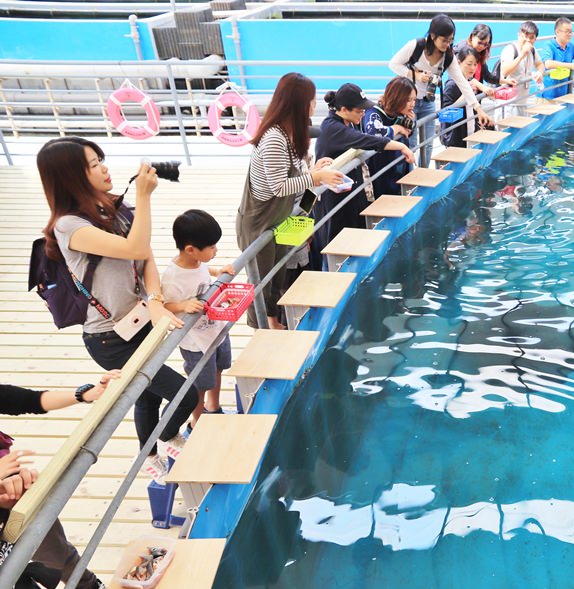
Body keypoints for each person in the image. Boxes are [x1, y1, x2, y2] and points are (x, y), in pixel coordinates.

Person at [37, 137, 196, 482]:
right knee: (186, 394)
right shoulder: (69, 226)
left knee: (148, 396)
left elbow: (146, 254)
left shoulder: (108, 206)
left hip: (138, 320)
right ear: (71, 177)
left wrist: (155, 303)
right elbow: (135, 246)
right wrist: (142, 196)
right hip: (110, 339)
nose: (105, 168)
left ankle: (148, 454)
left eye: (101, 160)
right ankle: (166, 438)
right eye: (94, 165)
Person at [235, 72, 345, 330]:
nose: (314, 104)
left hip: (280, 217)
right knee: (261, 281)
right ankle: (262, 329)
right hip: (259, 222)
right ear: (299, 103)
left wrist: (313, 171)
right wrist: (315, 177)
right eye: (312, 99)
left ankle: (273, 321)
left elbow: (293, 174)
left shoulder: (289, 133)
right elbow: (279, 186)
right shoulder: (274, 138)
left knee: (277, 273)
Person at [1, 373, 121, 589]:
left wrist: (85, 394)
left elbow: (29, 400)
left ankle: (86, 587)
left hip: (16, 498)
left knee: (52, 549)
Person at [311, 83, 416, 270]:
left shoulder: (347, 120)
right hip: (332, 197)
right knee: (335, 242)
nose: (363, 114)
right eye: (360, 110)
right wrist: (401, 146)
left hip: (349, 190)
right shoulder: (333, 128)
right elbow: (367, 140)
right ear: (344, 109)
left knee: (355, 239)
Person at [161, 210, 236, 431]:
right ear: (191, 250)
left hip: (216, 329)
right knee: (200, 383)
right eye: (211, 247)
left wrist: (217, 270)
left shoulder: (197, 262)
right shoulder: (173, 277)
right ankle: (198, 421)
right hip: (195, 342)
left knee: (219, 368)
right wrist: (183, 305)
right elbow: (164, 305)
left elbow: (203, 270)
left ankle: (214, 407)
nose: (215, 250)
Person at [388, 14, 492, 166]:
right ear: (432, 36)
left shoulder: (447, 56)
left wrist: (478, 108)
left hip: (428, 101)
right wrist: (414, 75)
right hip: (408, 103)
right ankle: (411, 176)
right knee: (411, 143)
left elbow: (463, 83)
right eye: (444, 40)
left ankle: (423, 173)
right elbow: (393, 64)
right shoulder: (416, 46)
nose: (447, 44)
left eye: (451, 40)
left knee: (428, 143)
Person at [362, 76, 418, 198]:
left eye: (414, 100)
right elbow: (376, 133)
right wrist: (398, 128)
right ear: (397, 98)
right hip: (380, 172)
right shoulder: (373, 113)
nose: (412, 104)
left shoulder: (400, 113)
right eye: (408, 100)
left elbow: (409, 131)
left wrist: (410, 122)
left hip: (399, 168)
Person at [441, 45, 497, 147]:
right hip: (455, 136)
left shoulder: (469, 81)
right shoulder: (451, 85)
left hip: (468, 131)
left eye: (475, 64)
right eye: (469, 64)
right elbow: (445, 113)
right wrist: (466, 96)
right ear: (458, 63)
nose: (473, 68)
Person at [455, 23, 515, 98]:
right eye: (480, 42)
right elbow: (461, 74)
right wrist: (482, 87)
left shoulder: (480, 53)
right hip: (460, 95)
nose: (482, 47)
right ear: (472, 36)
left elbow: (487, 75)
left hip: (474, 96)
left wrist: (505, 81)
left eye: (485, 44)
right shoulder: (462, 51)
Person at [499, 21, 546, 113]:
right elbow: (505, 71)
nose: (528, 40)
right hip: (508, 104)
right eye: (525, 36)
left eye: (531, 38)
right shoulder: (510, 49)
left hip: (523, 102)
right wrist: (522, 55)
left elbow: (540, 64)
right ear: (519, 35)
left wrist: (539, 73)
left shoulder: (532, 50)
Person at [539, 17, 574, 100]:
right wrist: (571, 65)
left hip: (564, 93)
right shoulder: (549, 45)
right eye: (567, 32)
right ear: (557, 32)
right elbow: (548, 64)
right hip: (549, 94)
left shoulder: (570, 46)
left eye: (571, 32)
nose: (570, 34)